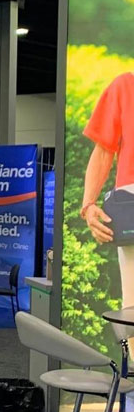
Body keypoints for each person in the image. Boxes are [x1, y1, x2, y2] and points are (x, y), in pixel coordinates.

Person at [81, 71, 134, 304]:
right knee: (132, 307)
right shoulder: (125, 86)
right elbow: (103, 150)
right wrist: (88, 205)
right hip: (131, 206)